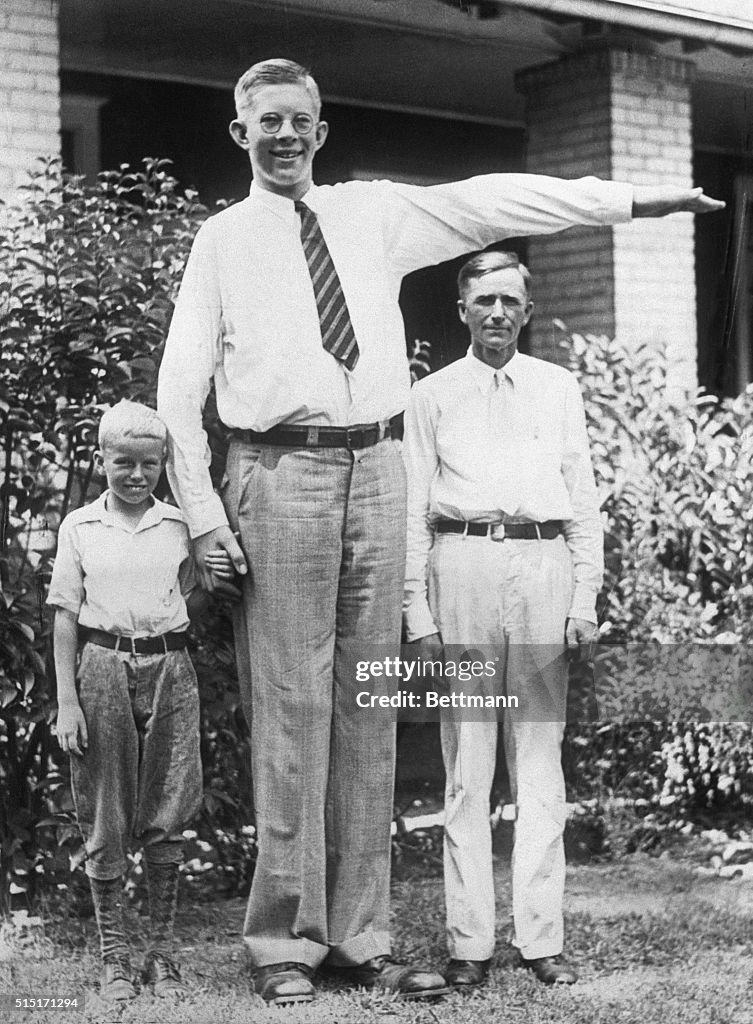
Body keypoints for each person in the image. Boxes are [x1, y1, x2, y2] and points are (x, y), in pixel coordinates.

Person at [156, 57, 723, 1006]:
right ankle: (283, 942)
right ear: (240, 134)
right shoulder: (221, 242)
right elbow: (177, 395)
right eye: (268, 123)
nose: (286, 136)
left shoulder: (372, 212)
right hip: (277, 470)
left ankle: (360, 936)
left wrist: (632, 201)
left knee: (368, 709)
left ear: (321, 130)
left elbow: (492, 200)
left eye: (301, 120)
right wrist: (205, 516)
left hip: (379, 468)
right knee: (292, 708)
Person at [403, 250, 603, 989]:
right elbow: (410, 512)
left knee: (540, 761)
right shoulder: (432, 395)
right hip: (461, 567)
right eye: (482, 300)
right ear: (462, 310)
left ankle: (542, 939)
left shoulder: (557, 388)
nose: (495, 313)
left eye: (508, 302)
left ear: (525, 310)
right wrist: (415, 612)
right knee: (468, 764)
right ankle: (469, 943)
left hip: (543, 568)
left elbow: (581, 498)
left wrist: (583, 598)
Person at [48, 401, 234, 1003]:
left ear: (162, 465)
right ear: (102, 459)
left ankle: (162, 955)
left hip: (170, 668)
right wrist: (67, 701)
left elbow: (201, 589)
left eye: (148, 464)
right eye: (122, 462)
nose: (135, 475)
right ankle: (115, 959)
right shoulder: (79, 526)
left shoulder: (179, 525)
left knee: (168, 807)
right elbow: (64, 618)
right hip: (101, 666)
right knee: (105, 810)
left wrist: (168, 634)